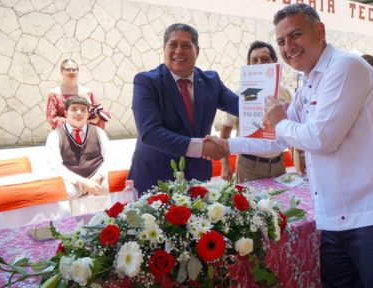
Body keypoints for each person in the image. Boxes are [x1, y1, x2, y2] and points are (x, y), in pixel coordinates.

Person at [207, 3, 373, 288]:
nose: (288, 47)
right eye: (281, 41)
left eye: (296, 35)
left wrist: (280, 121)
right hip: (337, 216)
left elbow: (321, 137)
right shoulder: (308, 81)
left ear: (319, 31)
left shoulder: (345, 67)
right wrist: (227, 145)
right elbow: (280, 137)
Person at [128, 23, 239, 195]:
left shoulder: (211, 82)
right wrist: (201, 147)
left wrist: (270, 104)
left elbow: (242, 107)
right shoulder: (146, 82)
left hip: (197, 178)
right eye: (173, 45)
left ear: (197, 51)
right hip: (155, 180)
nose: (179, 51)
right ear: (164, 49)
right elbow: (150, 132)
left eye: (186, 45)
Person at [219, 41, 292, 182]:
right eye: (254, 60)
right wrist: (225, 164)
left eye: (265, 59)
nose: (259, 64)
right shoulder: (240, 95)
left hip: (278, 164)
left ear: (274, 62)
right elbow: (226, 129)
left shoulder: (284, 93)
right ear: (249, 66)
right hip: (249, 166)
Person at [46, 96, 111, 215]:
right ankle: (67, 225)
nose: (79, 113)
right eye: (74, 109)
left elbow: (110, 159)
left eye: (83, 110)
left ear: (88, 114)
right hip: (74, 183)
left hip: (98, 180)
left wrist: (98, 176)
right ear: (66, 113)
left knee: (121, 185)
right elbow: (55, 167)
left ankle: (118, 222)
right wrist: (82, 182)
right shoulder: (55, 136)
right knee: (60, 194)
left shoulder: (98, 132)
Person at [46, 59, 107, 129]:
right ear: (61, 71)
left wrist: (97, 119)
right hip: (64, 133)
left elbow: (98, 113)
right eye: (68, 69)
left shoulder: (87, 92)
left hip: (87, 132)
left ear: (78, 72)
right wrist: (78, 123)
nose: (71, 72)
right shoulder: (55, 94)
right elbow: (52, 119)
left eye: (74, 69)